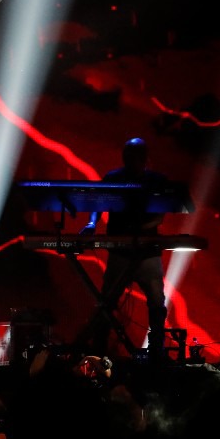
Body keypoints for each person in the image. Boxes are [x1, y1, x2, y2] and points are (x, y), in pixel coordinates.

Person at [78, 137, 170, 359]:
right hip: (122, 250)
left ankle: (156, 349)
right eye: (128, 158)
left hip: (146, 252)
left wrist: (139, 228)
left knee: (156, 301)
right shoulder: (114, 178)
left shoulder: (156, 181)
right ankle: (99, 349)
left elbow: (160, 214)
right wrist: (91, 223)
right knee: (108, 301)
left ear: (144, 159)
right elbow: (99, 202)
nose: (131, 162)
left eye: (135, 158)